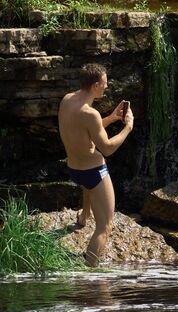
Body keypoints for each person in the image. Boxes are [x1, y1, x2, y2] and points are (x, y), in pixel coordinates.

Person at [58, 63, 134, 267]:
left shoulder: (67, 100)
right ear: (95, 85)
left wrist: (111, 118)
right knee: (105, 227)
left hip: (74, 169)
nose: (106, 87)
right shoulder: (90, 114)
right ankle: (89, 270)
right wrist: (127, 127)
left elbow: (84, 130)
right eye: (105, 84)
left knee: (88, 188)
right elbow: (107, 148)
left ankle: (83, 216)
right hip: (93, 172)